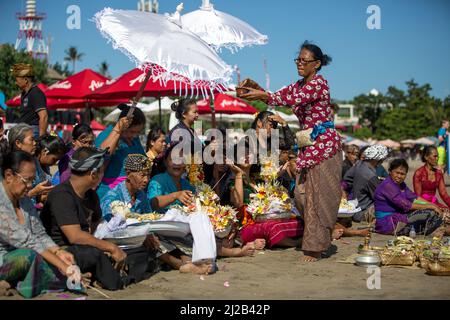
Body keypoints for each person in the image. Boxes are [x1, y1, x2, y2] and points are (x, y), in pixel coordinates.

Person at [240, 41, 341, 262]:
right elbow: (279, 95)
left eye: (304, 61)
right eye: (298, 60)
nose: (300, 64)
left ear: (316, 64)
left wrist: (261, 95)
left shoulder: (319, 84)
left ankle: (316, 246)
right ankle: (320, 236)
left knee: (320, 196)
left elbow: (291, 100)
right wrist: (260, 93)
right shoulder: (298, 85)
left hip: (324, 145)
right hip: (307, 145)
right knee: (301, 195)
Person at [40, 147, 130, 290]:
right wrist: (110, 248)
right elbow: (75, 237)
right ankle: (108, 279)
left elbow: (94, 227)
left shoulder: (91, 195)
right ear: (93, 174)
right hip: (60, 251)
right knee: (93, 254)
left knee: (134, 252)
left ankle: (102, 276)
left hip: (82, 247)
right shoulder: (61, 195)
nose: (103, 174)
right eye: (101, 171)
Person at [0, 151, 81, 298]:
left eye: (32, 180)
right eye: (27, 180)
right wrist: (63, 266)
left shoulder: (23, 200)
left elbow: (39, 234)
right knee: (30, 256)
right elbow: (28, 242)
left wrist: (58, 252)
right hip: (6, 258)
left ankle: (46, 280)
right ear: (9, 176)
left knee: (64, 255)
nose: (30, 186)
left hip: (29, 253)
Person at [147, 143, 217, 275]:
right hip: (163, 227)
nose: (177, 164)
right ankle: (184, 264)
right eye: (173, 159)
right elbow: (153, 203)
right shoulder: (157, 180)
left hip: (182, 230)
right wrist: (175, 196)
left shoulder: (187, 185)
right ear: (166, 162)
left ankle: (194, 262)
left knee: (201, 220)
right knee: (154, 240)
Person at [228, 139, 303, 249]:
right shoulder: (233, 182)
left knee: (300, 220)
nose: (247, 156)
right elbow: (238, 203)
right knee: (274, 228)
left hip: (266, 219)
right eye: (242, 154)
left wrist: (276, 176)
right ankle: (295, 243)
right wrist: (239, 174)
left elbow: (271, 200)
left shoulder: (258, 180)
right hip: (246, 226)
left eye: (249, 153)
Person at [374, 158, 444, 235]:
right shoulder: (388, 185)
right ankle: (422, 231)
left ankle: (421, 229)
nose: (399, 176)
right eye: (397, 173)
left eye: (402, 174)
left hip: (400, 217)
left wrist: (433, 205)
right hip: (388, 223)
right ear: (390, 172)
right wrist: (432, 207)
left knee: (435, 212)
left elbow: (414, 198)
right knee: (430, 213)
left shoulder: (401, 185)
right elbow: (406, 205)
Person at [95, 104, 146, 200]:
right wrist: (118, 130)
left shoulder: (135, 139)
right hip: (110, 194)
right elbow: (100, 155)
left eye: (138, 132)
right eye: (131, 131)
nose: (135, 136)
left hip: (133, 194)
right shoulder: (108, 134)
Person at [7, 124, 54, 204]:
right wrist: (34, 192)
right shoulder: (9, 166)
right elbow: (10, 201)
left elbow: (43, 184)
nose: (35, 143)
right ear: (18, 143)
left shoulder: (34, 161)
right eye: (31, 140)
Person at [343, 145, 388, 222]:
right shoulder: (371, 176)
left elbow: (346, 181)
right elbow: (380, 198)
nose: (382, 162)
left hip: (352, 209)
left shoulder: (359, 165)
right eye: (382, 160)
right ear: (377, 159)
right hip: (363, 212)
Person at [101, 154, 152, 221]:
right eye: (142, 175)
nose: (146, 180)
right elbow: (109, 225)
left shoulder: (141, 195)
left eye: (148, 175)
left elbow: (149, 216)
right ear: (128, 174)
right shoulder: (112, 198)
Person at [11, 64, 48, 138]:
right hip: (26, 130)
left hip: (34, 131)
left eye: (17, 80)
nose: (16, 83)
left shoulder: (36, 93)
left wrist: (41, 139)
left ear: (25, 80)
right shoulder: (24, 94)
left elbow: (44, 116)